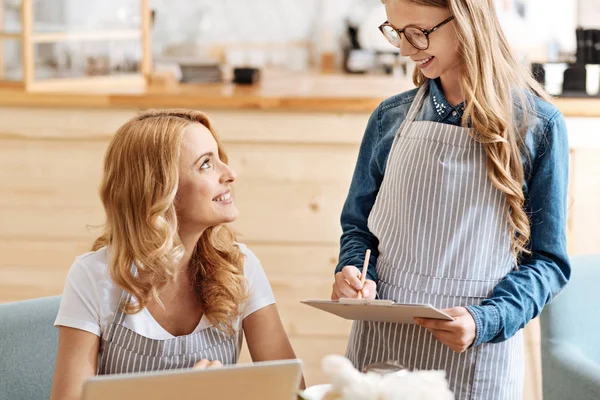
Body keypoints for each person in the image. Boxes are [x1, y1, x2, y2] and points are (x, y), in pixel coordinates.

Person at [331, 1, 570, 399]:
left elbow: (547, 262)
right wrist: (356, 271)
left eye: (418, 33)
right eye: (395, 31)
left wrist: (486, 320)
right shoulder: (389, 118)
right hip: (382, 351)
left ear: (467, 20)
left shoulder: (537, 126)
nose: (405, 50)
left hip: (478, 357)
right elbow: (359, 227)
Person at [50, 109, 303, 400]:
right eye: (206, 164)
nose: (230, 174)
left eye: (220, 158)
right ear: (159, 189)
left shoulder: (240, 267)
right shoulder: (94, 276)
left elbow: (294, 394)